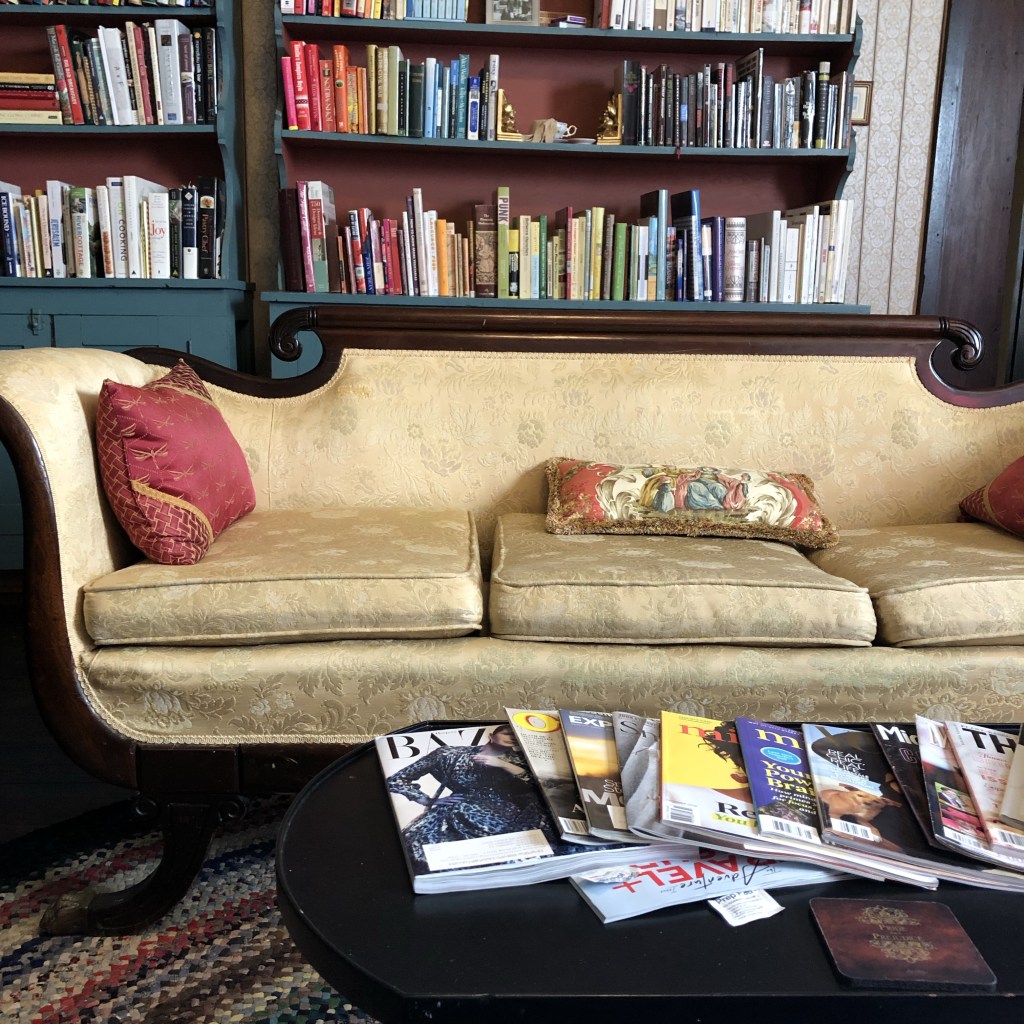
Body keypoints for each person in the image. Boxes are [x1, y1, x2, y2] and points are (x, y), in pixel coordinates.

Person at [385, 724, 555, 872]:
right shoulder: (448, 754)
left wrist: (502, 765)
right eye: (507, 734)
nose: (512, 738)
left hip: (506, 816)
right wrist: (427, 800)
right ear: (491, 736)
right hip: (455, 812)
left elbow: (546, 787)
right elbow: (396, 779)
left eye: (516, 737)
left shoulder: (520, 760)